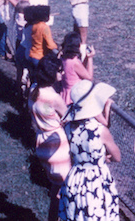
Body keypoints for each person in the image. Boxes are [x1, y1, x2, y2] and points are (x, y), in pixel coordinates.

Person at [58, 80, 121, 221]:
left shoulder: (68, 128)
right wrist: (102, 156)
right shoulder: (100, 130)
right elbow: (117, 156)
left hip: (75, 177)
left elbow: (77, 152)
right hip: (96, 180)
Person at [28, 53, 71, 221]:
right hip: (58, 146)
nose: (63, 74)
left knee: (56, 190)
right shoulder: (54, 98)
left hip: (42, 143)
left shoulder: (34, 89)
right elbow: (68, 117)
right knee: (65, 191)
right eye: (60, 71)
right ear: (52, 74)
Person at [59, 32, 94, 105]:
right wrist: (90, 58)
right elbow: (89, 77)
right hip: (75, 95)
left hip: (66, 93)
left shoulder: (64, 58)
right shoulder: (74, 62)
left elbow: (81, 70)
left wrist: (86, 58)